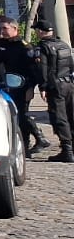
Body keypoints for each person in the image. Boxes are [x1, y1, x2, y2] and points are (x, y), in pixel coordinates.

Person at [0, 21, 47, 153]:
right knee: (16, 116)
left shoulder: (24, 46)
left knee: (21, 114)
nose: (1, 31)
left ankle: (39, 137)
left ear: (15, 28)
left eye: (5, 28)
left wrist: (32, 87)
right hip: (8, 84)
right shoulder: (2, 44)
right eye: (1, 28)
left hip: (23, 85)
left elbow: (34, 69)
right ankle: (25, 145)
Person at [33, 20, 74, 162]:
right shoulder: (64, 44)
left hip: (55, 86)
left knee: (59, 117)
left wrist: (43, 87)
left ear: (40, 31)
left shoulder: (43, 47)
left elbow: (42, 69)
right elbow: (71, 65)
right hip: (68, 84)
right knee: (71, 114)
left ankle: (67, 150)